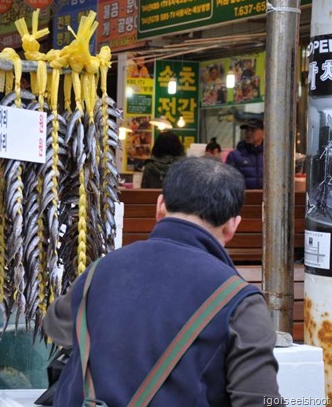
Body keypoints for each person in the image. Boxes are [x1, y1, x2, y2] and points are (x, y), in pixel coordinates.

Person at [43, 157, 282, 406]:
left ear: (160, 206)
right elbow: (260, 400)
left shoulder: (99, 272)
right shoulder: (240, 302)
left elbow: (54, 326)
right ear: (233, 225)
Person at [226, 111, 264, 189]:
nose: (248, 133)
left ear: (263, 132)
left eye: (253, 130)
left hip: (267, 200)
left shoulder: (270, 156)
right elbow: (228, 182)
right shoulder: (234, 156)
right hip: (243, 199)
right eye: (247, 130)